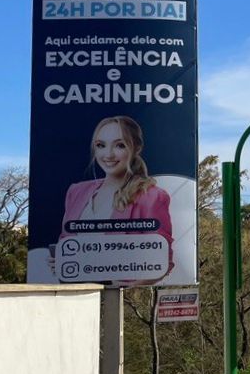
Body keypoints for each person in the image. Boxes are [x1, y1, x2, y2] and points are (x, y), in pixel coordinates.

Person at [52, 115, 173, 283]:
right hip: (76, 291)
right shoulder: (76, 191)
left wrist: (123, 286)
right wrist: (58, 261)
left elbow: (162, 260)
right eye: (101, 145)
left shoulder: (151, 196)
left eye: (120, 145)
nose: (108, 154)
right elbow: (65, 244)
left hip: (119, 293)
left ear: (136, 148)